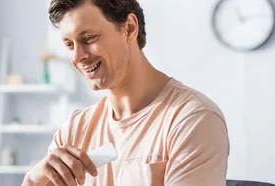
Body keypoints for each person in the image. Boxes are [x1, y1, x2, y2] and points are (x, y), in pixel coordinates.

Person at [23, 0, 229, 185]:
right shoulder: (74, 130)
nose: (78, 56)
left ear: (129, 28)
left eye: (89, 38)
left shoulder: (193, 120)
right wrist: (33, 180)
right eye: (69, 44)